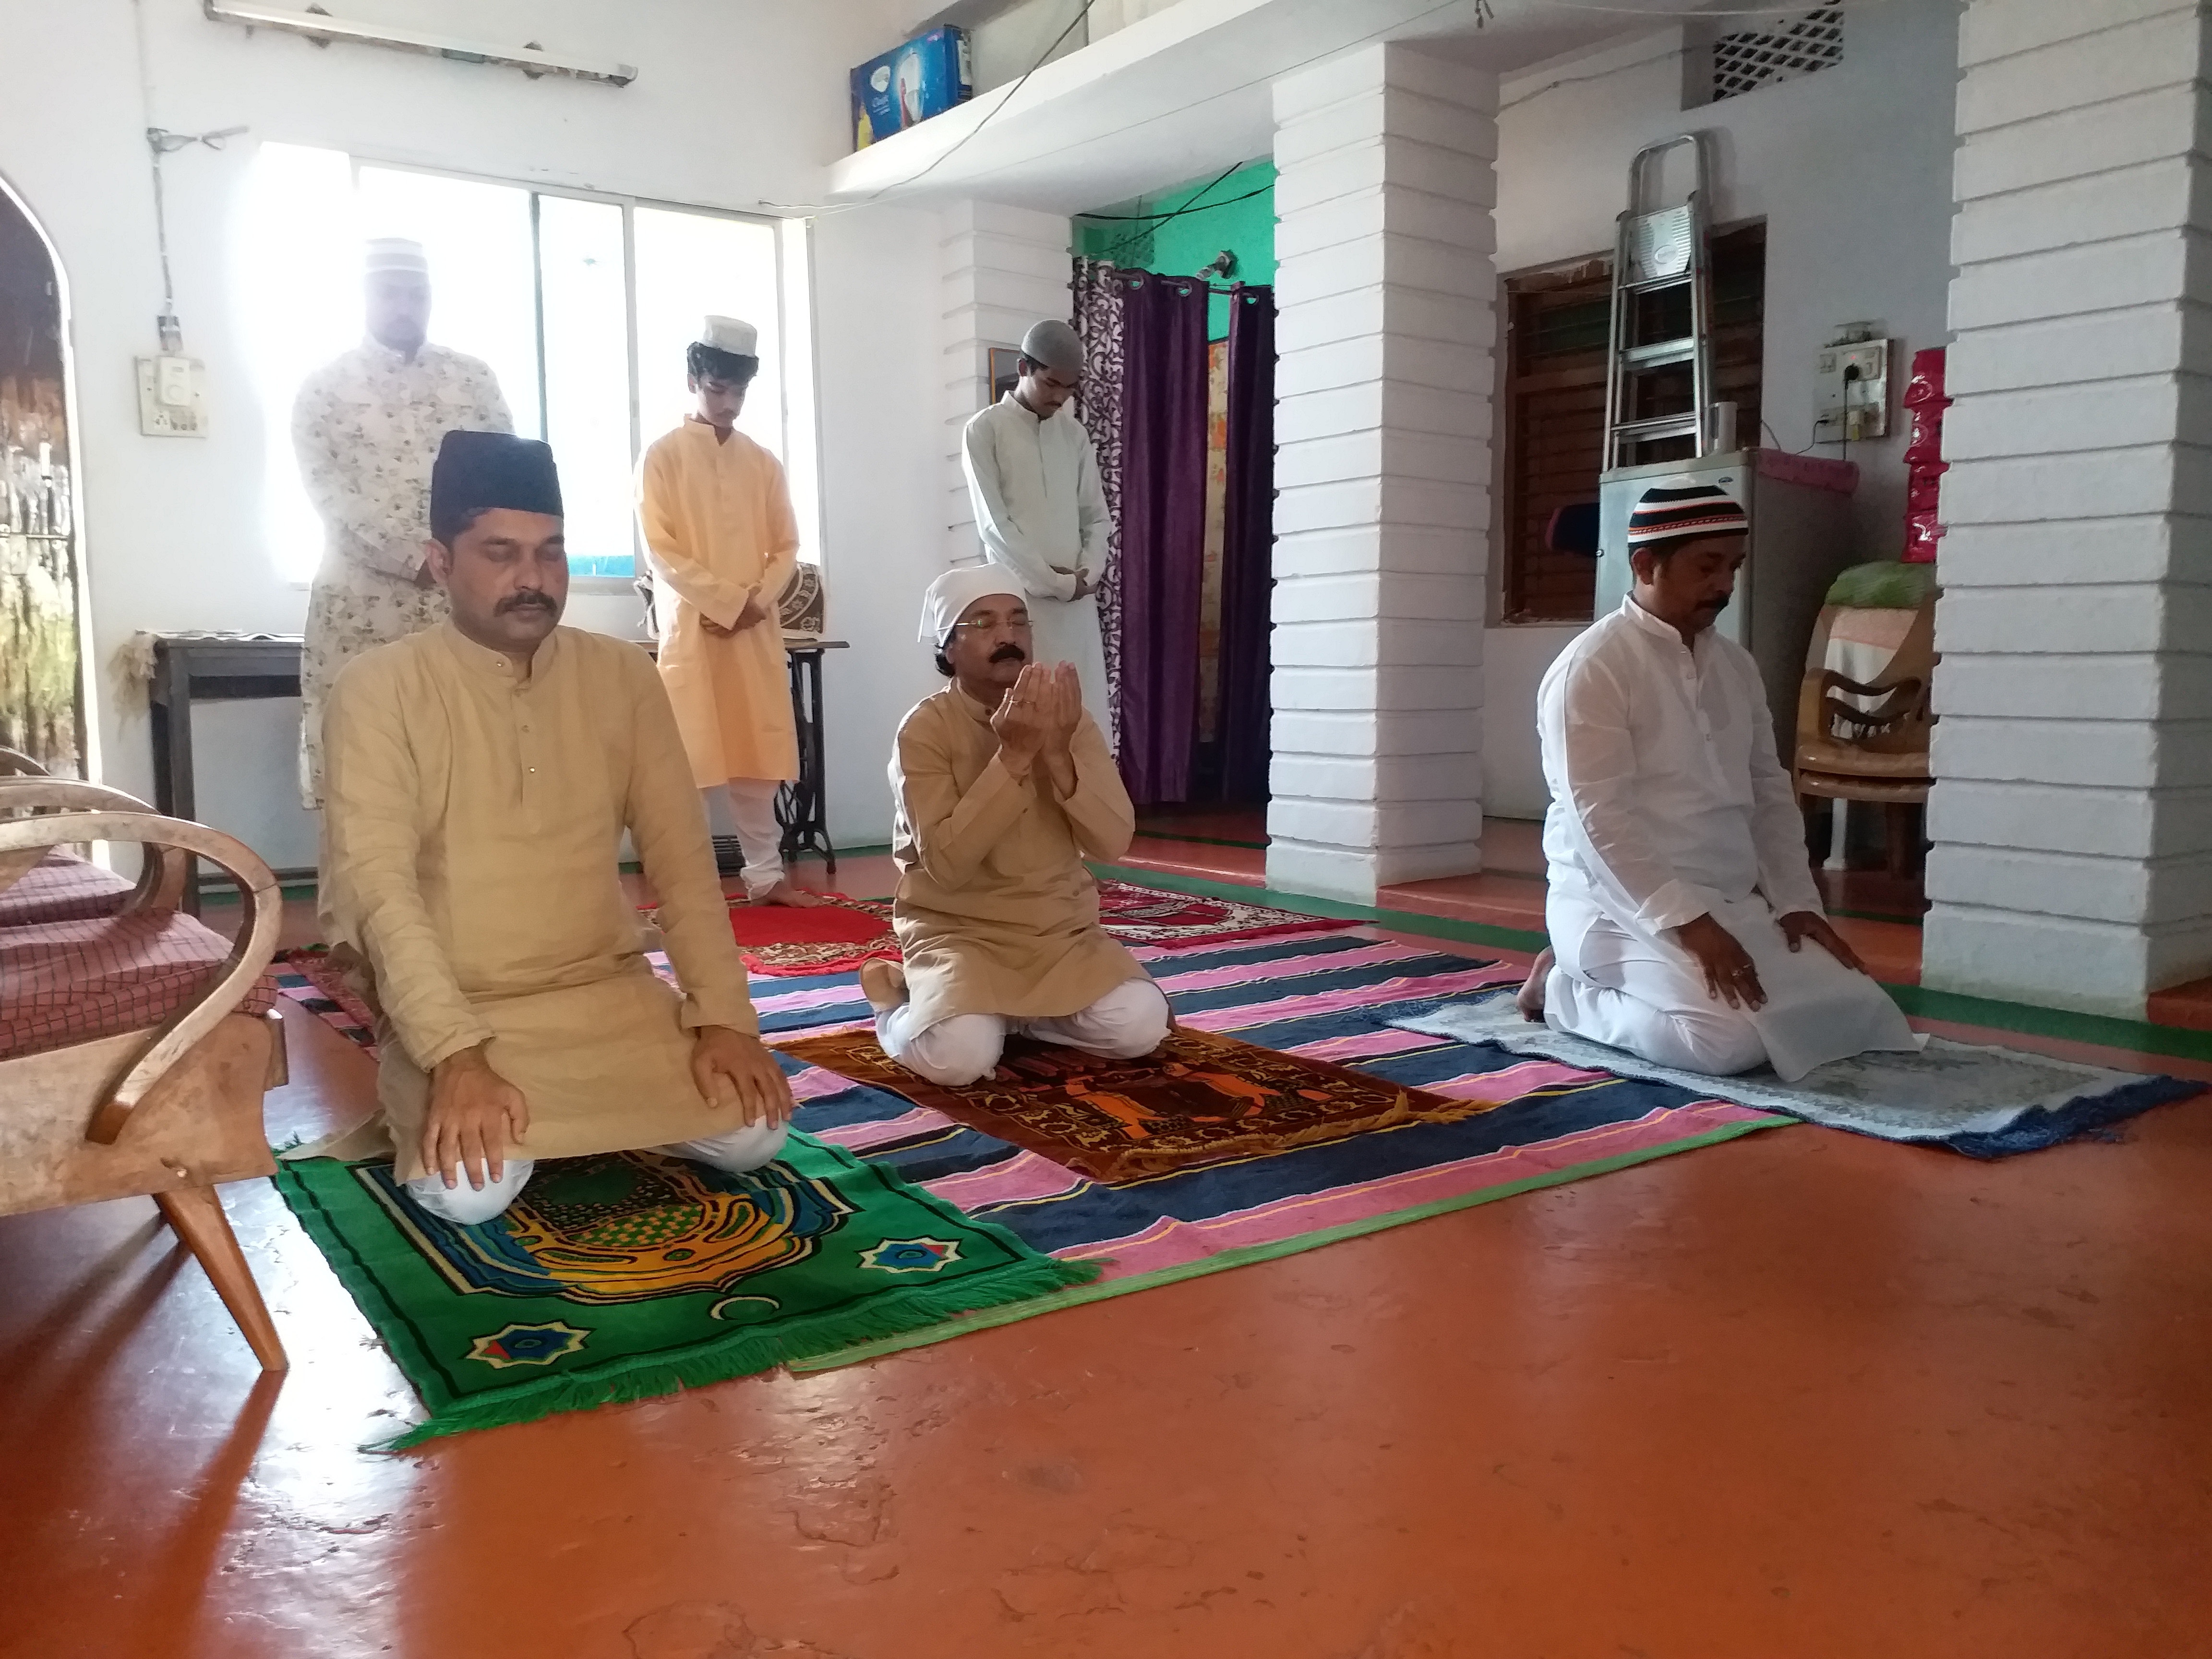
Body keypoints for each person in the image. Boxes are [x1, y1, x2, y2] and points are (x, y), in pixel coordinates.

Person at [315, 430, 794, 1225]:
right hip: (461, 1011)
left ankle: (582, 1116)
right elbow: (380, 891)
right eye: (499, 553)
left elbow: (681, 864)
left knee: (754, 1132)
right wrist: (455, 1056)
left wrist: (722, 1020)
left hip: (604, 996)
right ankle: (480, 1100)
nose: (532, 579)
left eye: (550, 551)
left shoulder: (624, 678)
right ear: (441, 563)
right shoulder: (378, 689)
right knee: (468, 1191)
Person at [1520, 480, 1922, 1082]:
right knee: (1724, 1042)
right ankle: (1562, 989)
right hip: (1618, 906)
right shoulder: (1593, 666)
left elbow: (1767, 790)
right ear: (1645, 564)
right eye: (1708, 566)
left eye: (1733, 567)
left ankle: (1638, 976)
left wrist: (1795, 902)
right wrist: (1692, 925)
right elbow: (1598, 817)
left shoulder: (1735, 665)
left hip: (1729, 901)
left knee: (1853, 1007)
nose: (1725, 585)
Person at [859, 567, 1171, 1087]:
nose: (1007, 636)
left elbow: (1113, 842)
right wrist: (1016, 756)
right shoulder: (925, 730)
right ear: (949, 648)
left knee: (1140, 1027)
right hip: (962, 935)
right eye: (983, 622)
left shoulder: (1070, 719)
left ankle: (1017, 1018)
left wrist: (1057, 752)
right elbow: (949, 864)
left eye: (1018, 621)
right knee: (957, 1060)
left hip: (1060, 935)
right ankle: (893, 1011)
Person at [294, 237, 513, 809]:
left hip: (459, 605)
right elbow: (328, 492)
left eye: (417, 294)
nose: (404, 306)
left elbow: (503, 479)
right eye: (390, 293)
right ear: (366, 297)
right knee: (360, 775)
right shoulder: (325, 387)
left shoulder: (472, 381)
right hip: (361, 608)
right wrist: (411, 558)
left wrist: (469, 562)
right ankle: (359, 903)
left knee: (465, 769)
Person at [636, 316, 820, 907]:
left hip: (752, 629)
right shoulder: (661, 458)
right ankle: (687, 889)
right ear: (693, 379)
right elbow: (661, 549)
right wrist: (720, 601)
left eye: (739, 393)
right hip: (692, 630)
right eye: (718, 389)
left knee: (754, 757)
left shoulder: (762, 462)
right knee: (689, 760)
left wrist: (751, 603)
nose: (729, 404)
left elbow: (786, 546)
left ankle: (765, 878)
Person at [960, 317, 1113, 742]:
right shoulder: (985, 430)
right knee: (1026, 721)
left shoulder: (1075, 435)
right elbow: (995, 526)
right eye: (1051, 384)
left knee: (1084, 720)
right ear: (1024, 368)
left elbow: (1096, 516)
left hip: (1078, 601)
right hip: (1021, 602)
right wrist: (1053, 583)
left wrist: (1088, 573)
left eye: (1070, 388)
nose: (1060, 397)